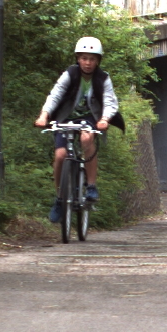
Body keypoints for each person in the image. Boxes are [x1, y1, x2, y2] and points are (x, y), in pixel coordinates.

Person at [34, 36, 122, 223]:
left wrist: (104, 119)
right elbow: (55, 94)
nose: (88, 63)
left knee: (86, 140)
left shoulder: (103, 78)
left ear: (98, 61)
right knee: (60, 155)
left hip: (90, 118)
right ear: (78, 59)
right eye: (84, 58)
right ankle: (59, 198)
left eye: (92, 59)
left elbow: (109, 102)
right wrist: (44, 115)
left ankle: (91, 186)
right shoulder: (70, 74)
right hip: (66, 117)